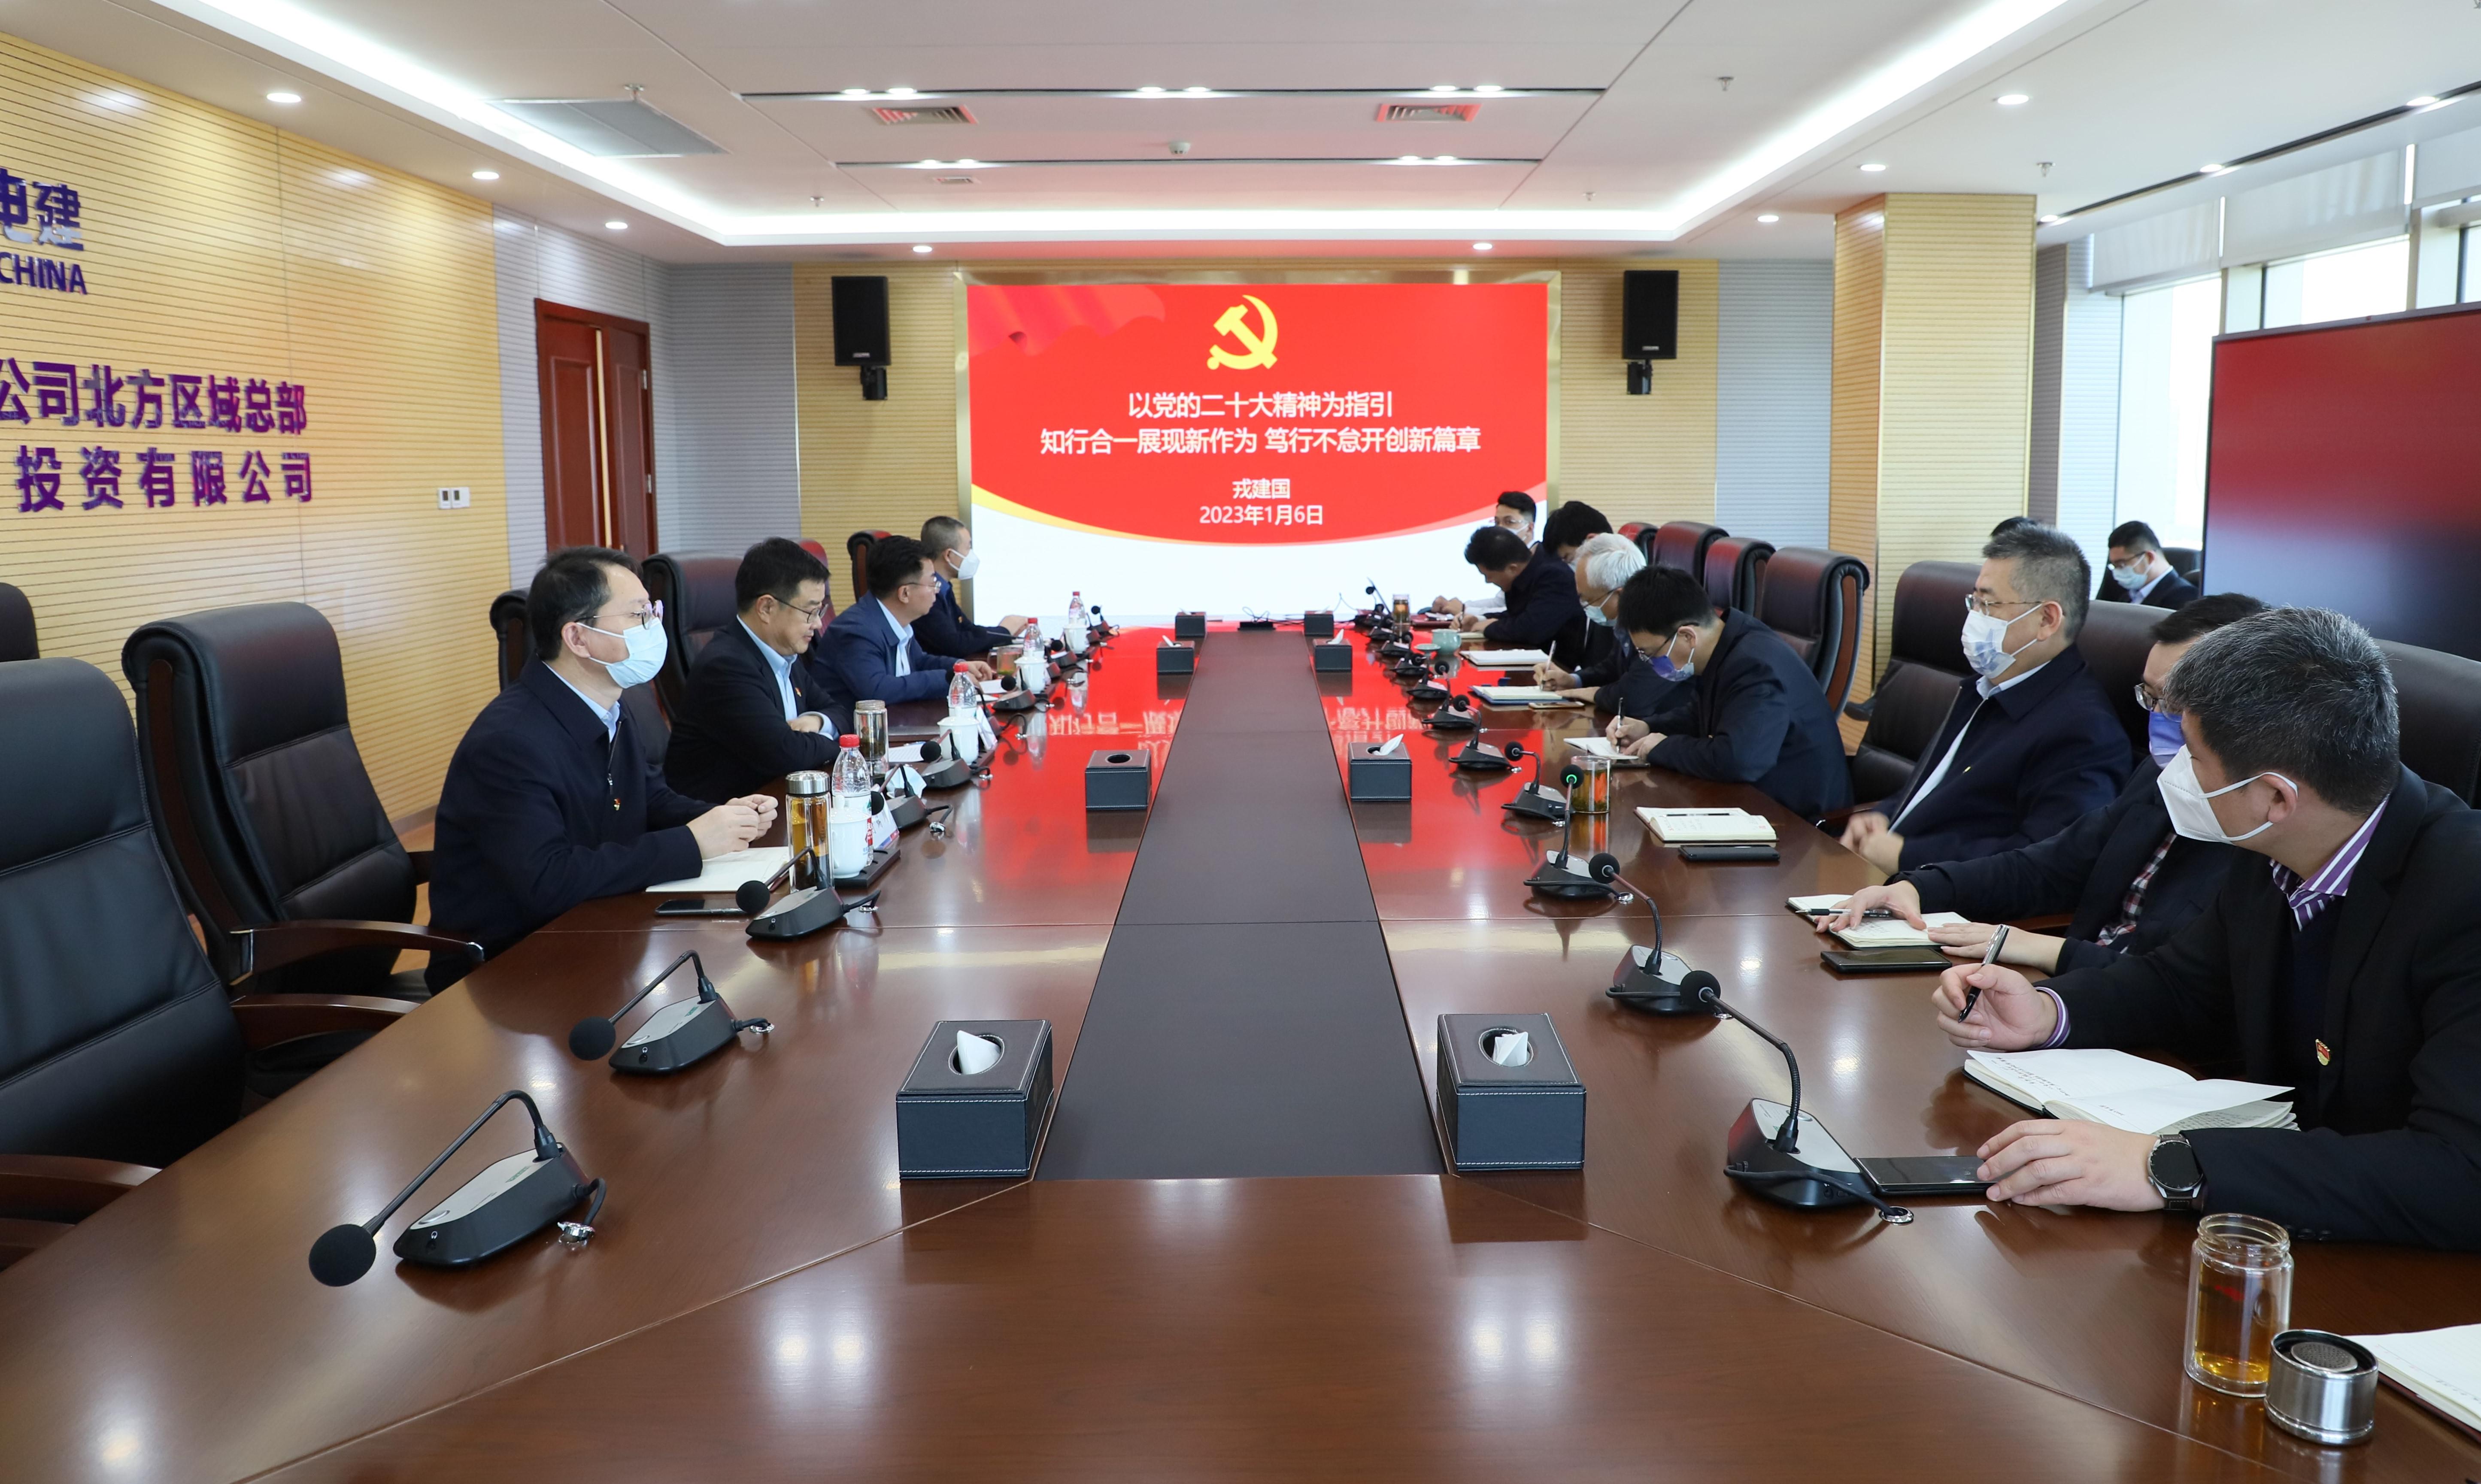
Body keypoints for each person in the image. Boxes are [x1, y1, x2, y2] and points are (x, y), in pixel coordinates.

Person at [1934, 606, 2481, 1250]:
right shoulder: (2275, 847)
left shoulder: (2462, 893)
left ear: (2275, 797)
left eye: (2193, 757)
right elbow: (2182, 984)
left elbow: (2459, 1171)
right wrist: (2047, 1013)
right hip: (2284, 1222)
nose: (2174, 775)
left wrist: (2170, 1165)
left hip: (2409, 1269)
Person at [1822, 593, 2268, 972]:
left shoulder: (2263, 825)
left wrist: (2032, 948)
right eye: (2150, 697)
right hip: (2070, 994)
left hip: (2131, 1018)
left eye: (2173, 703)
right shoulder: (2161, 772)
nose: (2158, 719)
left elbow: (2179, 982)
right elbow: (2049, 865)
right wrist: (1918, 888)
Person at [428, 548, 775, 988]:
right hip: (507, 970)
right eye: (638, 615)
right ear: (578, 637)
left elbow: (647, 797)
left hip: (594, 931)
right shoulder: (509, 743)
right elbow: (547, 881)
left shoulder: (609, 704)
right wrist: (691, 842)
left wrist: (723, 817)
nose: (654, 627)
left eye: (653, 612)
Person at [1841, 523, 2130, 875]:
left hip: (1940, 898)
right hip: (1884, 878)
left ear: (2047, 619)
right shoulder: (1986, 688)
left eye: (1988, 604)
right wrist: (1883, 817)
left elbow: (2043, 865)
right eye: (1974, 601)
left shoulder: (2085, 732)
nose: (1974, 617)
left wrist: (1907, 856)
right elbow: (1935, 791)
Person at [1600, 566, 1851, 820]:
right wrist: (1647, 727)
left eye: (1651, 654)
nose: (1650, 663)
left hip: (1798, 821)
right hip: (1755, 801)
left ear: (1687, 636)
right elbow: (1700, 716)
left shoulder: (1754, 666)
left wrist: (1662, 747)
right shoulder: (1726, 648)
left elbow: (1740, 760)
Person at [663, 537, 845, 803]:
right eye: (810, 612)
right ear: (767, 608)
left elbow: (839, 711)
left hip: (775, 802)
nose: (818, 624)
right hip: (725, 816)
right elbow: (787, 753)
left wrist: (817, 721)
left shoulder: (783, 653)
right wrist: (842, 745)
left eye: (820, 611)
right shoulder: (725, 668)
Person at [808, 534, 994, 731]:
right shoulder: (856, 631)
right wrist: (947, 679)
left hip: (896, 724)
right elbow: (879, 691)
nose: (937, 590)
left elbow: (919, 661)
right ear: (905, 593)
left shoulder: (894, 619)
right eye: (932, 582)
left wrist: (959, 668)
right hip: (857, 738)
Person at [1534, 531, 1669, 713]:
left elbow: (1633, 697)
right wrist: (1573, 680)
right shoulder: (1628, 619)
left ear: (1620, 595)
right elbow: (1613, 667)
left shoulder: (1659, 628)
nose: (1586, 607)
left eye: (1589, 600)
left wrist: (1590, 694)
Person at [1453, 523, 1583, 661]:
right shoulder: (1528, 569)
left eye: (1488, 576)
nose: (1488, 581)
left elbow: (1532, 629)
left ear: (1512, 569)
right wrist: (1480, 620)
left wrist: (1489, 627)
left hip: (1560, 666)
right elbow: (1519, 616)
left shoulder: (1554, 575)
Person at [916, 514, 1028, 658]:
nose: (971, 555)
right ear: (949, 555)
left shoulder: (945, 588)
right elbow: (955, 645)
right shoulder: (926, 593)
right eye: (968, 548)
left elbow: (967, 630)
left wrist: (1004, 634)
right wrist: (1004, 631)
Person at [1429, 491, 1540, 618]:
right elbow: (1500, 602)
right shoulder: (1508, 558)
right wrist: (1454, 606)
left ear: (1529, 528)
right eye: (1497, 522)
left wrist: (1465, 610)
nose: (1500, 529)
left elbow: (1515, 612)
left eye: (1509, 522)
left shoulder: (1539, 563)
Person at [2095, 519, 2199, 610]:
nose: (2116, 573)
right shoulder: (2126, 596)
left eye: (2122, 565)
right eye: (2115, 566)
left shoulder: (2184, 597)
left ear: (2149, 557)